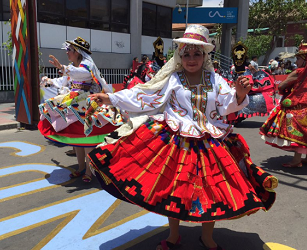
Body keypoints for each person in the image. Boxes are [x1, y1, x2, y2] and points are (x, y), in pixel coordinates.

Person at [88, 25, 278, 250]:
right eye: (186, 53)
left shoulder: (215, 79)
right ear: (179, 55)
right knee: (173, 190)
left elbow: (227, 105)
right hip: (176, 142)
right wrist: (109, 98)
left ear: (205, 55)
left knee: (211, 192)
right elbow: (144, 95)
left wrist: (240, 93)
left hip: (210, 142)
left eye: (197, 53)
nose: (191, 58)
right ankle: (173, 235)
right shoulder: (173, 79)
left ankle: (207, 237)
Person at [38, 36, 124, 183]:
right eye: (67, 50)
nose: (67, 52)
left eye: (69, 50)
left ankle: (89, 172)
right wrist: (50, 81)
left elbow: (81, 74)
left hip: (89, 106)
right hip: (76, 104)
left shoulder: (87, 65)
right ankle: (80, 167)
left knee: (86, 139)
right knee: (76, 137)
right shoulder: (74, 67)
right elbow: (64, 80)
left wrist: (63, 68)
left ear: (77, 51)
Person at [260, 43, 307, 167]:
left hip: (299, 105)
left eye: (298, 59)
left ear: (305, 60)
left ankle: (296, 160)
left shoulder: (299, 72)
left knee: (295, 126)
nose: (296, 61)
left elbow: (282, 85)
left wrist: (286, 88)